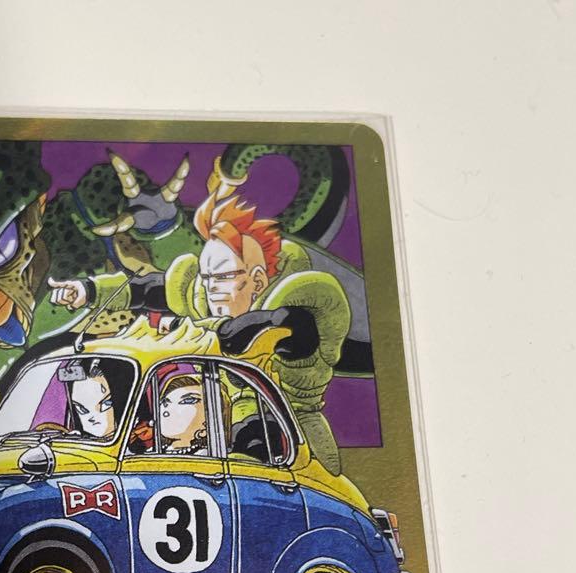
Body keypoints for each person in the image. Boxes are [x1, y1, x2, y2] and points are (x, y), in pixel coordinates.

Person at [48, 160, 352, 474]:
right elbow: (150, 288)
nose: (211, 289)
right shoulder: (203, 295)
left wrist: (192, 328)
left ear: (258, 281)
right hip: (217, 430)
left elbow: (271, 329)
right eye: (206, 278)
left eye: (223, 278)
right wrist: (88, 290)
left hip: (292, 441)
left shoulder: (299, 308)